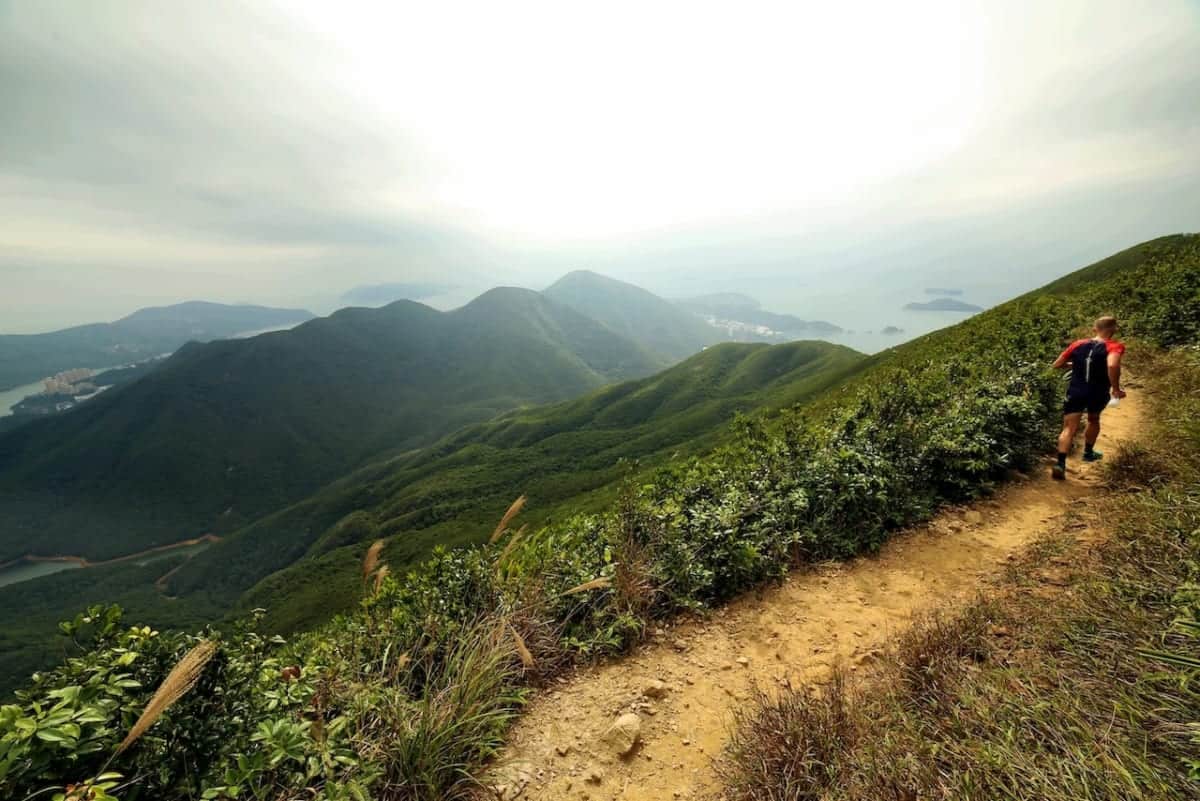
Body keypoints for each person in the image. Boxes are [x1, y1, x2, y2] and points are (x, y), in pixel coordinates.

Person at [1050, 315, 1126, 480]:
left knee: (1069, 427)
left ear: (1095, 329)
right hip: (1098, 392)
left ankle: (1060, 464)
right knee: (1093, 419)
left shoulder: (1078, 344)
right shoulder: (1114, 346)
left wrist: (1075, 364)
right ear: (1114, 329)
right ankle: (1088, 452)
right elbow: (1112, 365)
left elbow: (1056, 364)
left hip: (1076, 390)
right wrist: (1116, 388)